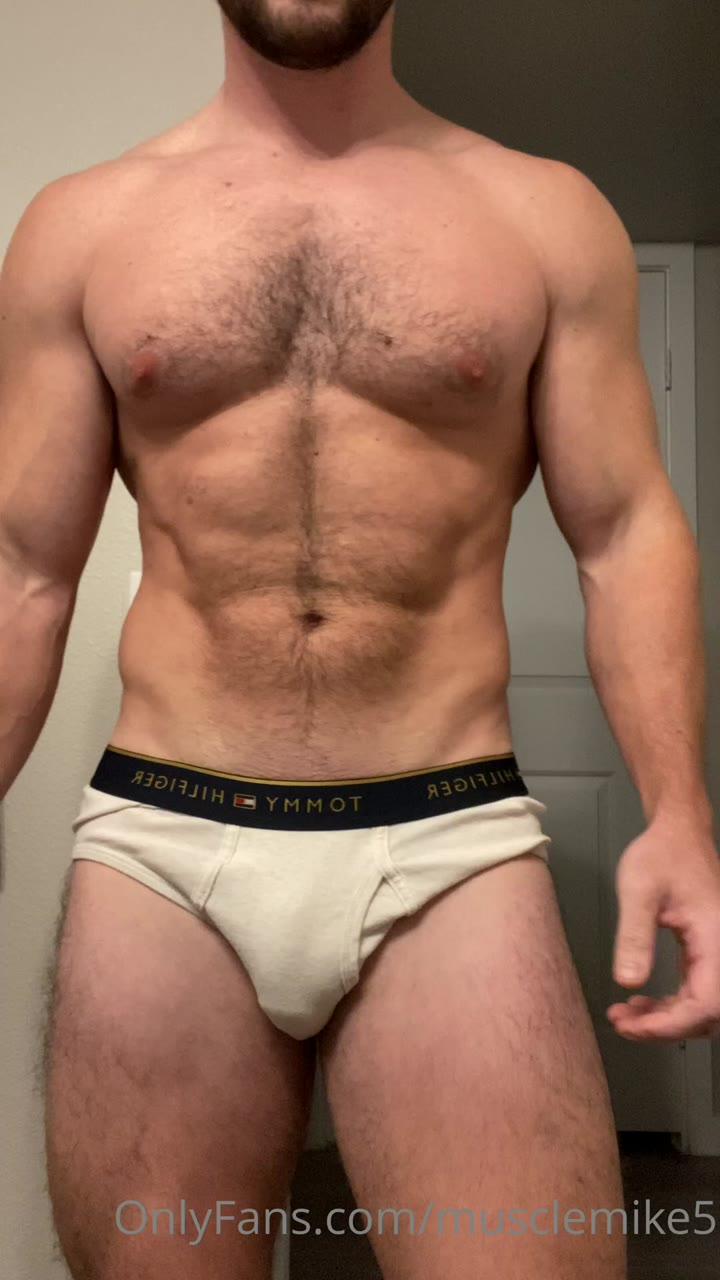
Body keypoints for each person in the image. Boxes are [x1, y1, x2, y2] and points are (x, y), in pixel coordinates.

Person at [1, 2, 719, 1277]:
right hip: (164, 845)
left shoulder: (545, 216)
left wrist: (679, 810)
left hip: (449, 840)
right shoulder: (83, 226)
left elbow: (622, 534)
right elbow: (25, 567)